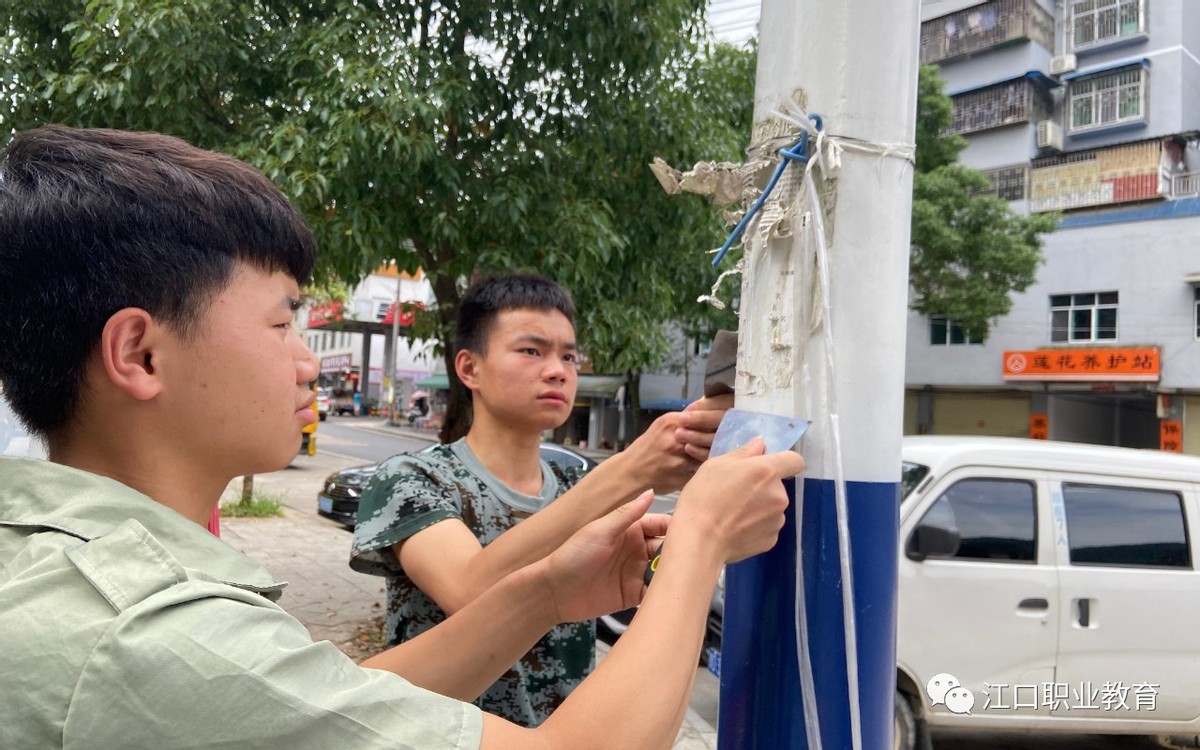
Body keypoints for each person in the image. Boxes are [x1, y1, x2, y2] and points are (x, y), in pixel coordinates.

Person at [0, 125, 804, 749]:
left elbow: (331, 700)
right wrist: (694, 536)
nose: (306, 364)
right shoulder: (152, 629)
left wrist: (553, 592)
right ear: (141, 353)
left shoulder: (71, 570)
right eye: (285, 321)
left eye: (569, 354)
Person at [349, 273, 737, 726]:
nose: (558, 370)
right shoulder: (413, 477)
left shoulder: (578, 478)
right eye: (532, 351)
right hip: (445, 735)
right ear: (469, 368)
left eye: (569, 356)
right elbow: (469, 591)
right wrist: (632, 469)